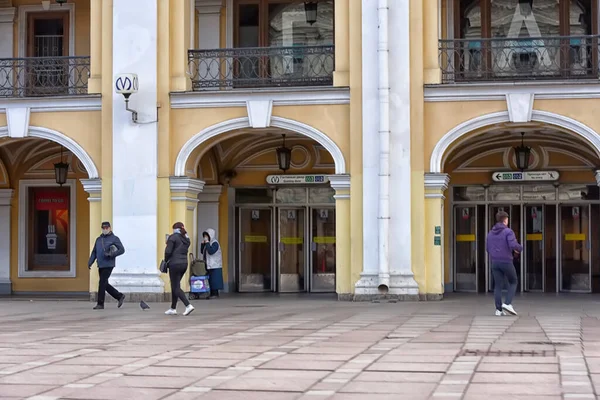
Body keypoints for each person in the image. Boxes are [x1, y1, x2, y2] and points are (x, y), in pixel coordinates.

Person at [486, 211, 522, 316]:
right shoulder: (508, 231)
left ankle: (498, 310)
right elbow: (513, 244)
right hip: (506, 261)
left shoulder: (490, 233)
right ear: (505, 220)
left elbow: (487, 248)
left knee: (498, 285)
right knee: (513, 281)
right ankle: (507, 303)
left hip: (495, 262)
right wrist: (519, 248)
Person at [88, 221, 126, 310]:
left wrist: (112, 254)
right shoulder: (98, 239)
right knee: (104, 283)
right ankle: (119, 296)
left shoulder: (114, 239)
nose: (105, 229)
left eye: (106, 228)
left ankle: (100, 304)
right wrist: (90, 261)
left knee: (102, 283)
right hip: (100, 264)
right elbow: (94, 252)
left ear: (110, 228)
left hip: (109, 264)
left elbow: (122, 250)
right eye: (103, 228)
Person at [164, 222, 195, 316]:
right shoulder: (186, 239)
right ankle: (173, 308)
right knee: (175, 285)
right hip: (184, 264)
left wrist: (166, 260)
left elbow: (168, 251)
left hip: (174, 264)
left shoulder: (172, 237)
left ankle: (188, 305)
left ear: (174, 229)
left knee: (175, 287)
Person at [201, 228, 224, 299]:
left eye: (206, 236)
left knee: (215, 280)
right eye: (204, 236)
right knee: (210, 280)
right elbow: (202, 251)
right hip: (209, 264)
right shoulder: (208, 243)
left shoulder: (215, 243)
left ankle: (215, 294)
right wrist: (202, 245)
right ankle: (211, 293)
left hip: (215, 264)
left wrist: (207, 243)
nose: (205, 237)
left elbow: (211, 251)